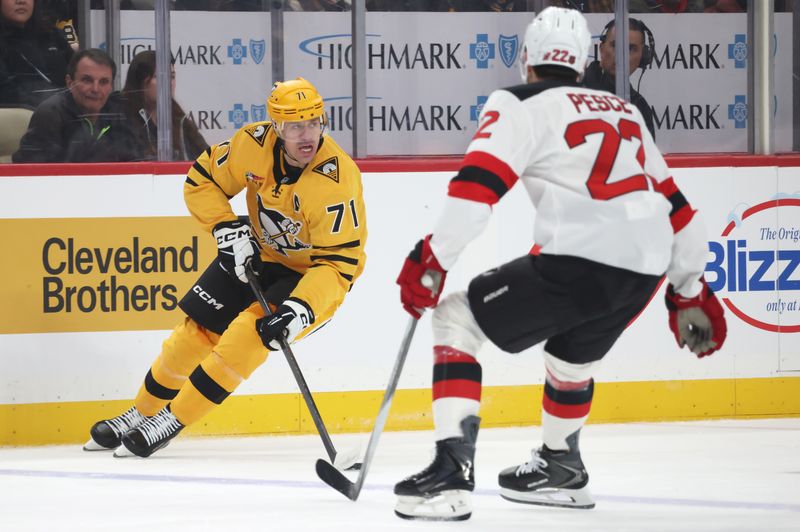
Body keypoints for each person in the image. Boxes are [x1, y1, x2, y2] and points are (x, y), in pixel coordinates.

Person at [393, 7, 726, 521]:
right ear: (583, 59)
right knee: (571, 360)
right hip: (645, 268)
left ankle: (450, 479)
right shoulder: (624, 109)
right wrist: (689, 287)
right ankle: (560, 467)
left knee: (456, 318)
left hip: (582, 258)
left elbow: (477, 188)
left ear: (527, 57)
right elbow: (677, 206)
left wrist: (432, 257)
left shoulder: (518, 101)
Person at [83, 77, 368, 459]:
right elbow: (202, 181)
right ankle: (140, 412)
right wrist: (225, 227)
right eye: (295, 125)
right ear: (276, 127)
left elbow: (340, 263)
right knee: (194, 332)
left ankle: (171, 420)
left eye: (314, 122)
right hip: (255, 252)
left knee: (250, 336)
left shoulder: (336, 180)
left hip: (311, 276)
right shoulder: (252, 144)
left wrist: (300, 309)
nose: (307, 136)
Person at [12, 48, 141, 162]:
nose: (96, 89)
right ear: (70, 82)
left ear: (111, 86)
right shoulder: (51, 114)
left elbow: (135, 161)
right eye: (87, 80)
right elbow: (35, 173)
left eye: (103, 82)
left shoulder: (117, 111)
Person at [122, 50, 209, 161]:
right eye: (159, 77)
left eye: (172, 77)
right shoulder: (123, 120)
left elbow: (208, 160)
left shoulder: (179, 120)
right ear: (140, 81)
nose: (168, 83)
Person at [582, 17, 656, 139]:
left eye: (631, 49)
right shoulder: (575, 88)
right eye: (615, 46)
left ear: (642, 57)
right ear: (602, 49)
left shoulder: (640, 107)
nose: (622, 55)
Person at [0, 0, 73, 107]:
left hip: (68, 115)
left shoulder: (52, 35)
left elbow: (77, 75)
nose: (21, 1)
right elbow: (7, 92)